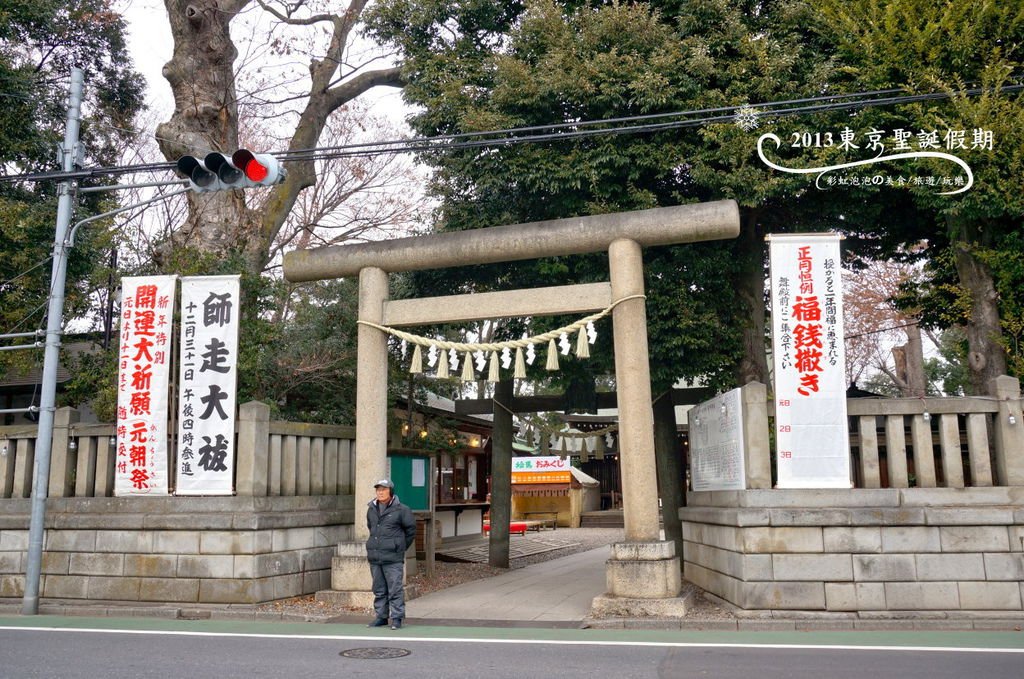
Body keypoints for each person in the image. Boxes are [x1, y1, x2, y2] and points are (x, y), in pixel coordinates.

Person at [365, 478, 416, 630]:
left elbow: (411, 531)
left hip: (393, 557)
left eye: (384, 489)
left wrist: (398, 547)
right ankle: (381, 616)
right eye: (378, 490)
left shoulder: (402, 509)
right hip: (375, 555)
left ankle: (397, 618)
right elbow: (371, 528)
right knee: (379, 589)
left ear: (391, 492)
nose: (380, 492)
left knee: (395, 589)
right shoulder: (371, 509)